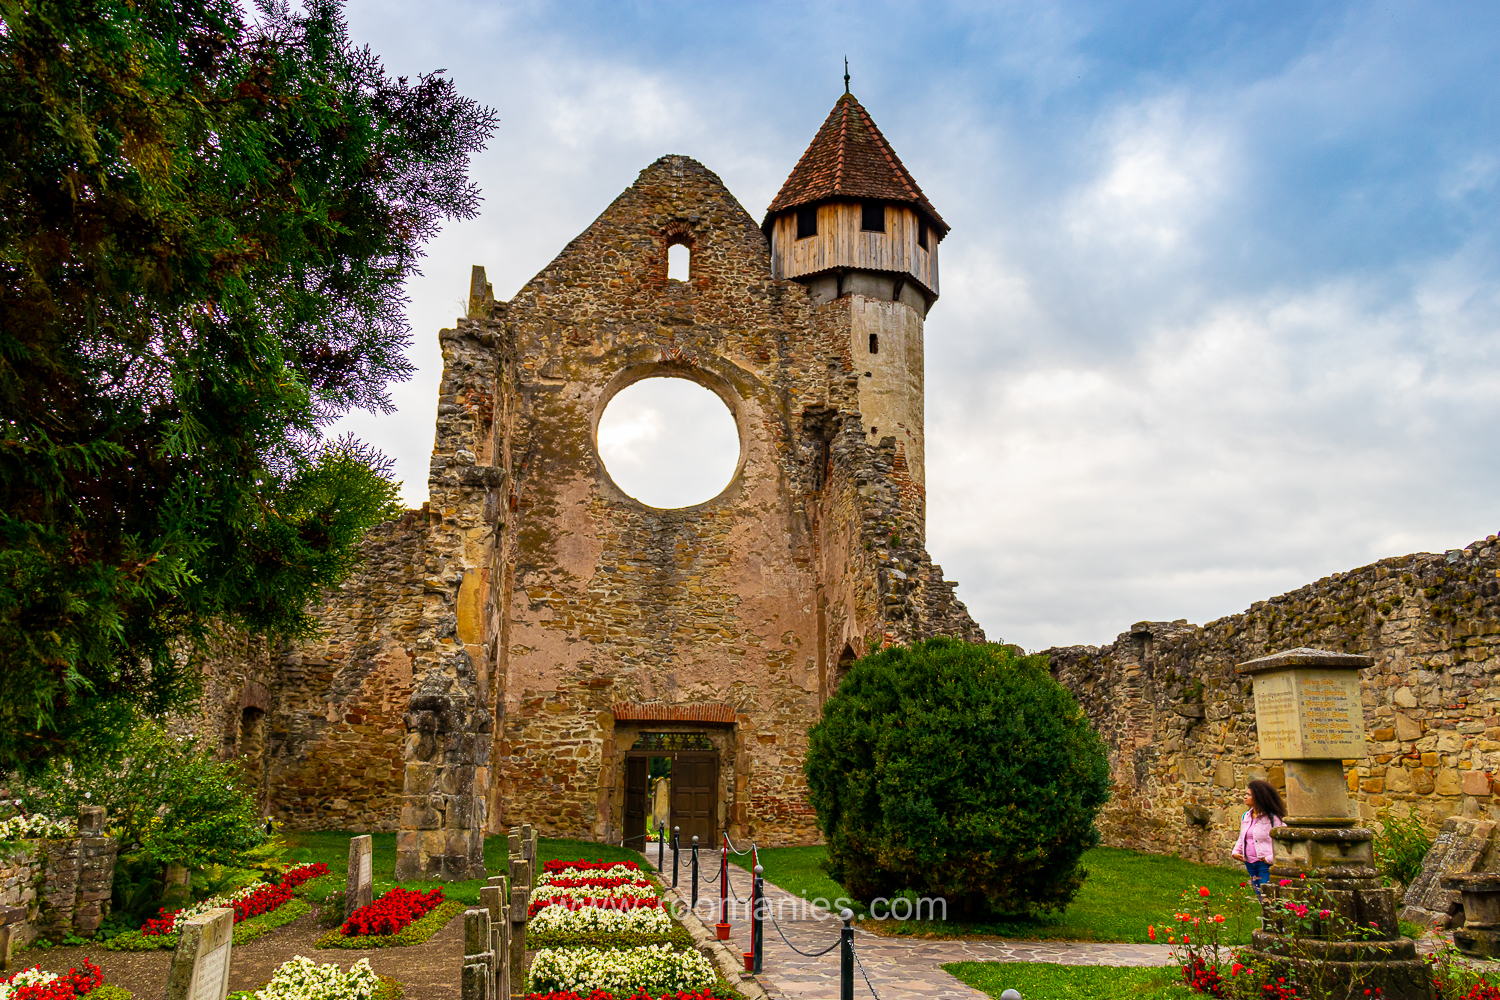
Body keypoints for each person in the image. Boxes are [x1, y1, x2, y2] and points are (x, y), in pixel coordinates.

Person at [1232, 779, 1287, 894]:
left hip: (1265, 864)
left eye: (1249, 795)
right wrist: (1236, 852)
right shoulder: (1246, 816)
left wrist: (1270, 859)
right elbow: (1243, 837)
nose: (1245, 797)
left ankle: (1271, 912)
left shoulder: (1273, 818)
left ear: (1258, 797)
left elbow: (1284, 841)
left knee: (1267, 894)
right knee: (1259, 893)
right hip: (1250, 864)